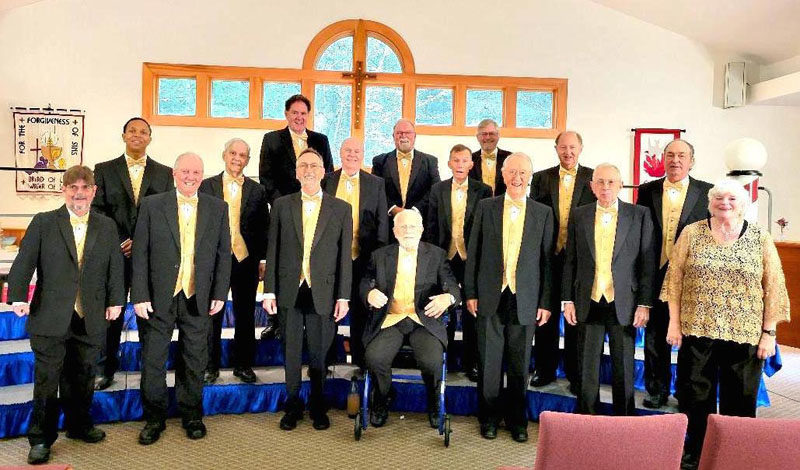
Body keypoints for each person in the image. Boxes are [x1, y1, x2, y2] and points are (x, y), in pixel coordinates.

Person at [662, 179, 790, 470]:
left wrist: (769, 333)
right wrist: (673, 324)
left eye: (732, 198)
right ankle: (695, 453)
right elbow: (675, 279)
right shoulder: (692, 233)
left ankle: (736, 455)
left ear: (742, 203)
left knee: (740, 400)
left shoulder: (760, 237)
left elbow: (774, 286)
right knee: (695, 398)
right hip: (697, 328)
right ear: (710, 203)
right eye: (719, 198)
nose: (725, 203)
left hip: (744, 333)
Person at [7, 165, 124, 464]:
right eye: (73, 188)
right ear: (64, 190)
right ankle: (41, 439)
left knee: (83, 376)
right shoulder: (44, 222)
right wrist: (17, 295)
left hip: (91, 315)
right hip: (50, 315)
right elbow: (24, 261)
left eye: (85, 188)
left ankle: (79, 425)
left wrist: (115, 300)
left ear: (94, 192)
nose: (79, 194)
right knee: (47, 380)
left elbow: (115, 267)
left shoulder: (107, 225)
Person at [131, 153, 232, 445]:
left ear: (202, 175)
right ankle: (154, 418)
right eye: (185, 171)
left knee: (195, 359)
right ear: (174, 173)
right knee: (153, 360)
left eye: (196, 172)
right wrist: (139, 294)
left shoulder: (218, 208)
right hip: (158, 297)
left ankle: (192, 415)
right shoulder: (152, 205)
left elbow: (223, 255)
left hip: (197, 296)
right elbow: (140, 253)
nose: (191, 176)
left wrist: (219, 294)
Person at [465, 152, 554, 443]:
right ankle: (488, 418)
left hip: (525, 298)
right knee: (489, 363)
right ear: (503, 175)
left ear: (530, 177)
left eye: (523, 173)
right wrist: (472, 293)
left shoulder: (543, 213)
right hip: (490, 295)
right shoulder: (485, 207)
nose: (517, 178)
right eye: (512, 172)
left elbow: (547, 262)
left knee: (519, 364)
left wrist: (545, 301)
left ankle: (517, 421)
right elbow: (473, 254)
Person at [263, 148, 352, 431]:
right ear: (297, 171)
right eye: (304, 165)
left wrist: (344, 295)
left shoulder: (341, 208)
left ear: (324, 171)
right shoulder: (281, 205)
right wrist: (269, 291)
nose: (309, 169)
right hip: (290, 289)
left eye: (314, 165)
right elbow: (273, 249)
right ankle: (292, 405)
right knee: (290, 353)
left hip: (323, 291)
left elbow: (343, 258)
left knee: (319, 353)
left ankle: (317, 404)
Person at [562, 163, 655, 416]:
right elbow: (571, 260)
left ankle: (623, 420)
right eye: (600, 182)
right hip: (587, 299)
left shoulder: (639, 215)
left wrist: (645, 304)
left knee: (623, 367)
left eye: (611, 182)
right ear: (591, 186)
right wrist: (567, 300)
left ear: (620, 185)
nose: (605, 187)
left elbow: (647, 264)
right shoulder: (579, 214)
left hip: (623, 301)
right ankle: (586, 419)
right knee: (586, 367)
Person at [91, 117, 173, 391]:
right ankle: (104, 368)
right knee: (110, 314)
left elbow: (166, 216)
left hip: (150, 258)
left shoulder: (165, 173)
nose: (137, 135)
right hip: (114, 255)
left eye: (143, 132)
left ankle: (150, 371)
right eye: (132, 131)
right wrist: (122, 240)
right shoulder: (103, 170)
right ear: (123, 135)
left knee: (149, 316)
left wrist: (140, 241)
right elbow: (97, 210)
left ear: (150, 138)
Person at [361, 209, 460, 428]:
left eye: (413, 226)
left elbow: (452, 285)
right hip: (391, 318)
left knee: (432, 361)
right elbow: (366, 280)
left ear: (421, 229)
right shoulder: (380, 255)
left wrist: (449, 297)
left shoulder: (436, 254)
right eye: (403, 227)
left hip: (422, 320)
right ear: (394, 231)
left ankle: (434, 402)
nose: (408, 231)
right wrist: (369, 293)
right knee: (374, 358)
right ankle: (383, 397)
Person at [635, 139, 713, 409]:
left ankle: (686, 391)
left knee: (689, 340)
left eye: (682, 155)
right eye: (670, 155)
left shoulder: (707, 192)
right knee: (655, 338)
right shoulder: (647, 190)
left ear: (692, 161)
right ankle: (657, 390)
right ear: (663, 159)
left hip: (691, 279)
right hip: (654, 274)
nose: (675, 160)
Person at [199, 138, 269, 384]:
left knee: (245, 313)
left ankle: (244, 364)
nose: (237, 158)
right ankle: (209, 366)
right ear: (224, 155)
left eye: (242, 155)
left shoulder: (257, 190)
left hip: (245, 260)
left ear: (248, 160)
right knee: (211, 313)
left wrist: (263, 259)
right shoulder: (206, 186)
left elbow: (264, 228)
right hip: (214, 262)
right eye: (233, 153)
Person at [529, 130, 595, 391]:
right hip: (548, 258)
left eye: (573, 148)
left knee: (575, 319)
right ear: (556, 149)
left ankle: (576, 374)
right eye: (563, 147)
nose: (568, 152)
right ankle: (544, 370)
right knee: (545, 315)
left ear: (581, 149)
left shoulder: (593, 178)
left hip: (580, 262)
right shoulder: (541, 178)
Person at [427, 144, 492, 382]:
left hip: (471, 259)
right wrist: (433, 260)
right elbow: (432, 227)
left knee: (471, 313)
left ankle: (471, 362)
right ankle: (445, 360)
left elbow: (487, 229)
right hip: (444, 259)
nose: (460, 165)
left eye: (465, 161)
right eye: (456, 160)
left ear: (471, 164)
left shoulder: (484, 190)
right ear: (449, 163)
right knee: (445, 310)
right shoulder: (438, 189)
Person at [322, 137, 389, 369]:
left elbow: (382, 223)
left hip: (363, 257)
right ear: (340, 154)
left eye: (357, 151)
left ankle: (361, 362)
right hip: (330, 258)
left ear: (363, 155)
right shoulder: (326, 180)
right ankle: (327, 360)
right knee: (328, 310)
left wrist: (377, 262)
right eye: (348, 150)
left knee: (362, 312)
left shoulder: (376, 183)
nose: (352, 154)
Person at [258, 94, 333, 205]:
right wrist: (280, 204)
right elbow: (266, 178)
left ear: (308, 115)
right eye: (295, 113)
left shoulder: (321, 140)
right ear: (286, 114)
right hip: (283, 205)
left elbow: (328, 174)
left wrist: (322, 202)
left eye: (303, 113)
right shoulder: (271, 139)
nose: (299, 117)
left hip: (316, 204)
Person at [371, 119, 440, 221]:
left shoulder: (430, 161)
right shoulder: (380, 161)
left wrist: (415, 210)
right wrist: (393, 209)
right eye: (399, 133)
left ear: (414, 136)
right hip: (388, 223)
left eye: (407, 132)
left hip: (420, 223)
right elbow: (375, 190)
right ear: (393, 136)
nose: (403, 136)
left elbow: (435, 189)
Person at [469, 119, 511, 196]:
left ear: (498, 136)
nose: (488, 137)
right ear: (477, 137)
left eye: (491, 134)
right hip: (477, 206)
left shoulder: (510, 158)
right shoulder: (469, 159)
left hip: (502, 205)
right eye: (484, 134)